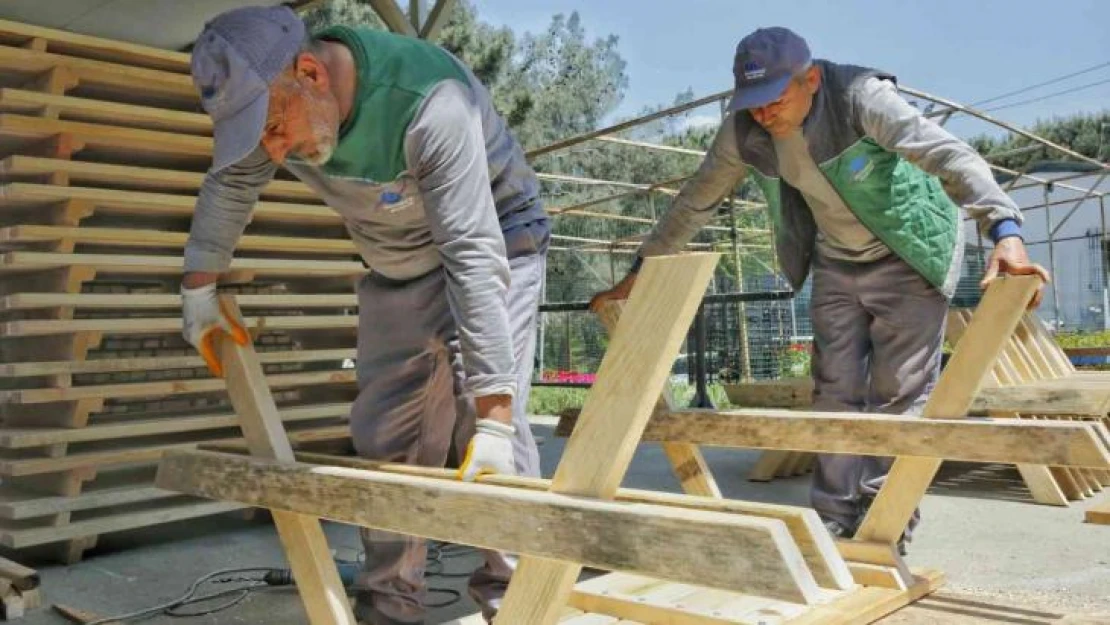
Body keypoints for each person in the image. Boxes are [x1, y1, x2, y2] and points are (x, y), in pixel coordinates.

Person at [589, 26, 1049, 551]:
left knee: (898, 396)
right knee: (833, 390)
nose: (763, 114)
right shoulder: (742, 131)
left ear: (810, 78)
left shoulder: (861, 96)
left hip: (907, 251)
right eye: (752, 103)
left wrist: (1006, 232)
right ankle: (833, 517)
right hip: (835, 258)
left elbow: (951, 156)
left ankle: (884, 523)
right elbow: (696, 201)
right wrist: (640, 272)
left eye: (773, 99)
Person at [179, 6, 549, 624]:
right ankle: (388, 606)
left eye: (274, 126)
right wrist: (198, 292)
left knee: (482, 429)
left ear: (310, 73)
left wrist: (493, 420)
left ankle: (520, 602)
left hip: (497, 237)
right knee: (387, 430)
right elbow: (231, 185)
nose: (272, 149)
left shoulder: (431, 101)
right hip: (400, 262)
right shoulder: (280, 105)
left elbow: (471, 255)